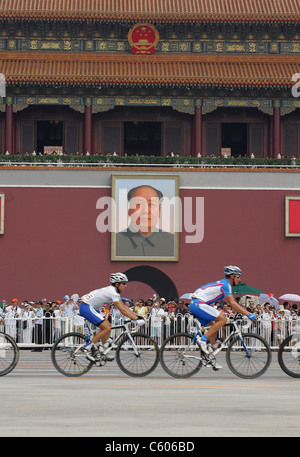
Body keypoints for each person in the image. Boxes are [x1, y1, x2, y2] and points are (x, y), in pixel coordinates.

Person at [189, 265, 256, 369]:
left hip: (196, 303)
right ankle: (202, 340)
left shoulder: (224, 284)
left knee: (213, 327)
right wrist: (249, 314)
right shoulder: (226, 284)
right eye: (239, 277)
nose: (240, 279)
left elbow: (232, 304)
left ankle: (209, 357)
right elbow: (232, 303)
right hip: (198, 303)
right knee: (223, 319)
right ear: (233, 276)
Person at [79, 272, 144, 362]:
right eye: (124, 283)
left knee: (108, 326)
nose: (126, 286)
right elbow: (122, 310)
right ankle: (87, 347)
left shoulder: (115, 292)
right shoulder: (112, 292)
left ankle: (102, 351)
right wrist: (136, 319)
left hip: (91, 307)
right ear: (117, 284)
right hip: (86, 306)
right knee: (107, 328)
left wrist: (137, 316)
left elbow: (124, 307)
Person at [115, 185, 175, 257]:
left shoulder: (173, 242)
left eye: (151, 204)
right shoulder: (114, 243)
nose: (146, 211)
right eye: (139, 204)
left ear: (159, 211)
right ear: (129, 210)